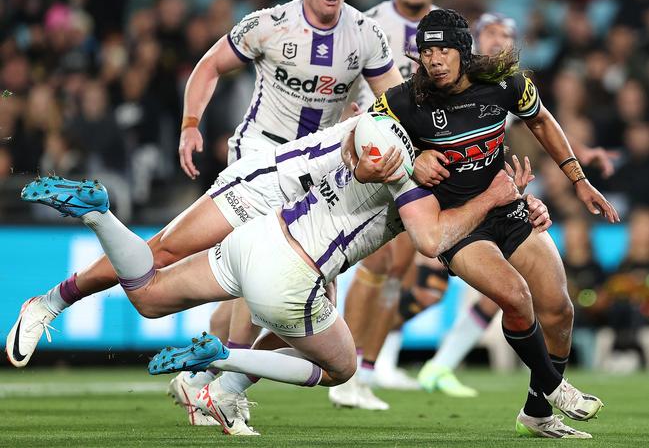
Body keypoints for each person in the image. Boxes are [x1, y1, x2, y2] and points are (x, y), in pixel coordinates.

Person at [20, 113, 599, 437]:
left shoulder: (376, 133)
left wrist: (515, 208)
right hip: (292, 271)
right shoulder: (411, 180)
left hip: (258, 236)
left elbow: (361, 142)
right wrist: (498, 195)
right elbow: (433, 238)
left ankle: (99, 213)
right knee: (339, 367)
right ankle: (220, 359)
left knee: (147, 296)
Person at [5, 0, 403, 425]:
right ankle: (53, 303)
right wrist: (191, 124)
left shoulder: (366, 35)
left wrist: (373, 118)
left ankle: (209, 386)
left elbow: (395, 105)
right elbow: (209, 65)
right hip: (262, 162)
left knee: (307, 305)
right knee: (170, 251)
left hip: (317, 178)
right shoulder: (270, 24)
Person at [369, 8, 617, 439]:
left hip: (507, 207)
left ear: (463, 50)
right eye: (427, 51)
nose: (434, 60)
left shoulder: (505, 84)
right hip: (457, 224)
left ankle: (537, 413)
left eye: (444, 49)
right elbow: (363, 141)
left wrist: (579, 179)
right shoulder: (405, 99)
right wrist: (412, 158)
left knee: (559, 309)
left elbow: (540, 119)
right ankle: (557, 387)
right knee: (515, 296)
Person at [329, 0, 445, 410]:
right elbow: (343, 83)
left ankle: (366, 370)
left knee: (397, 267)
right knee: (379, 264)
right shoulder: (369, 23)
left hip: (417, 157)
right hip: (374, 151)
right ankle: (346, 373)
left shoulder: (446, 30)